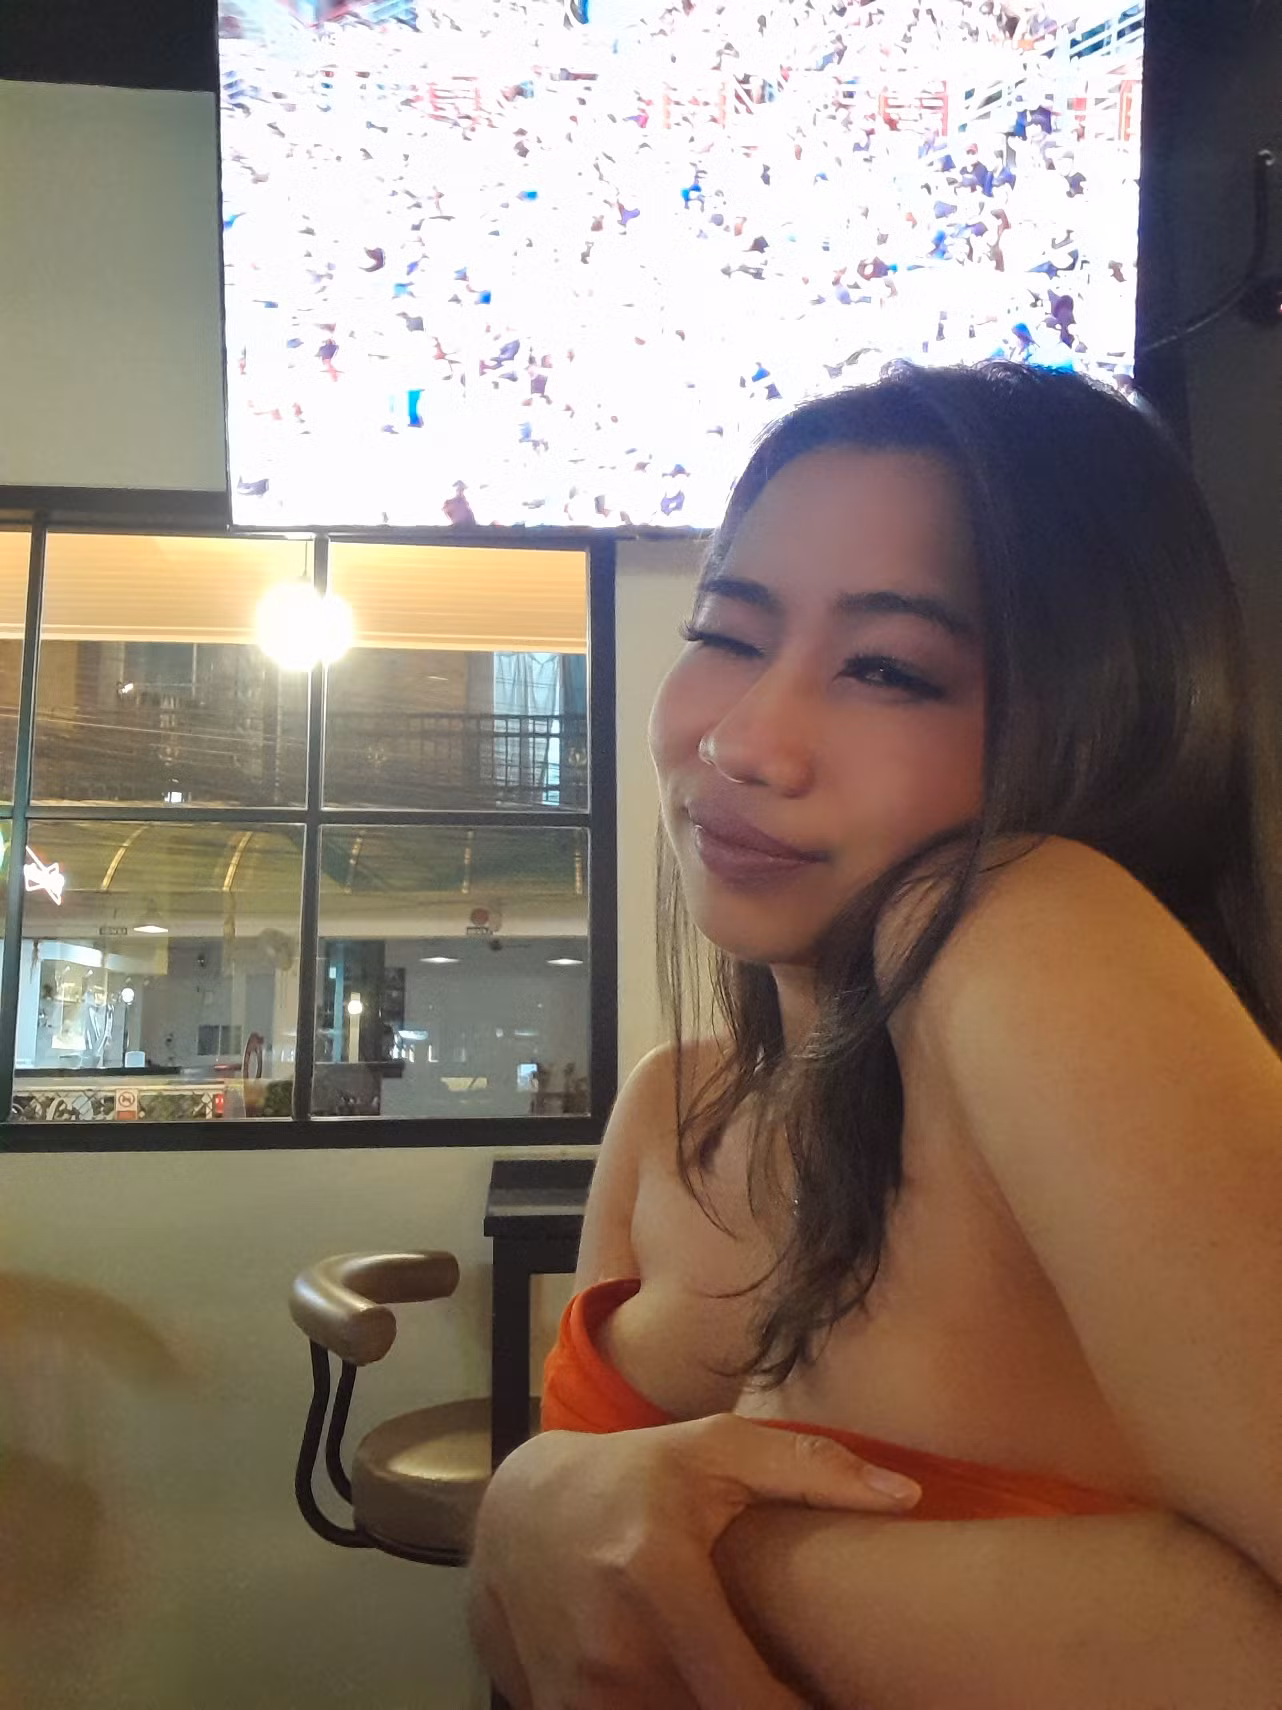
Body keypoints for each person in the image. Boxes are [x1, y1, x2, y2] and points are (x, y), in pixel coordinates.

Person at [468, 361, 1282, 1708]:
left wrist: (649, 1547)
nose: (745, 741)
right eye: (729, 633)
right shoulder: (671, 1107)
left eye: (889, 669)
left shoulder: (1024, 919)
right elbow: (545, 1649)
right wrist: (534, 1506)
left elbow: (576, 1579)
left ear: (1098, 723)